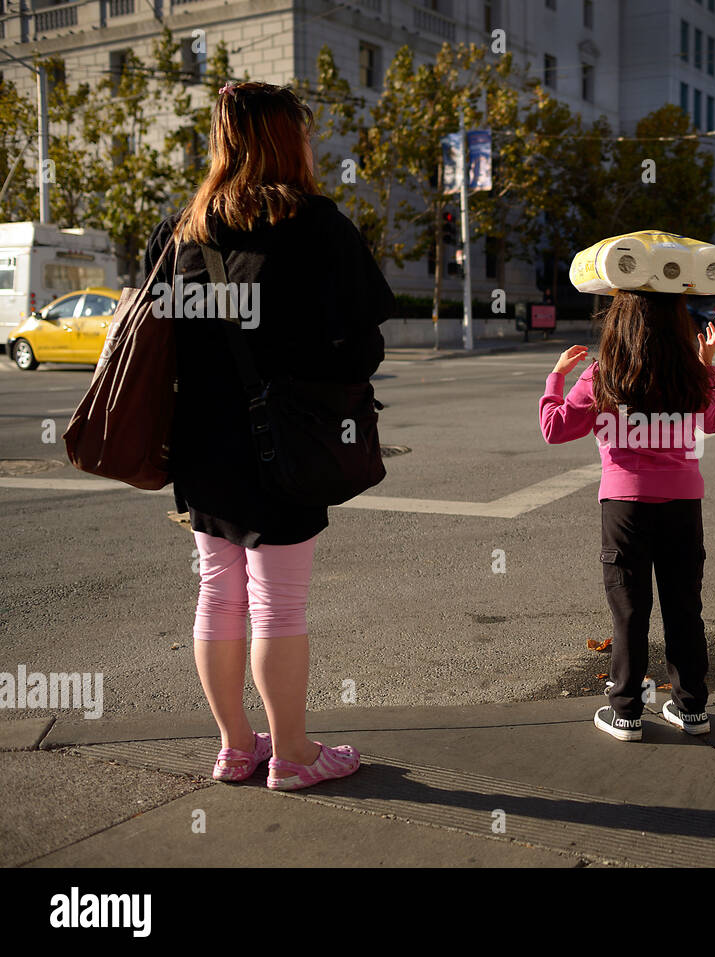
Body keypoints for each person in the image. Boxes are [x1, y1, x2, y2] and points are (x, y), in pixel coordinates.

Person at [143, 82, 395, 788]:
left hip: (200, 444)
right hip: (286, 442)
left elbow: (156, 342)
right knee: (279, 603)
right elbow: (362, 347)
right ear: (292, 139)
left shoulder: (180, 233)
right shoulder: (317, 226)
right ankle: (292, 753)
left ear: (222, 141)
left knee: (218, 590)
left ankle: (234, 747)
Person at [540, 292, 715, 741]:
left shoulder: (605, 374)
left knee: (629, 609)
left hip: (625, 506)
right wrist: (707, 363)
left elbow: (555, 429)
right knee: (684, 606)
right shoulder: (688, 373)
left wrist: (556, 377)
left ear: (618, 325)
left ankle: (626, 713)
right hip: (683, 504)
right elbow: (714, 420)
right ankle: (692, 710)